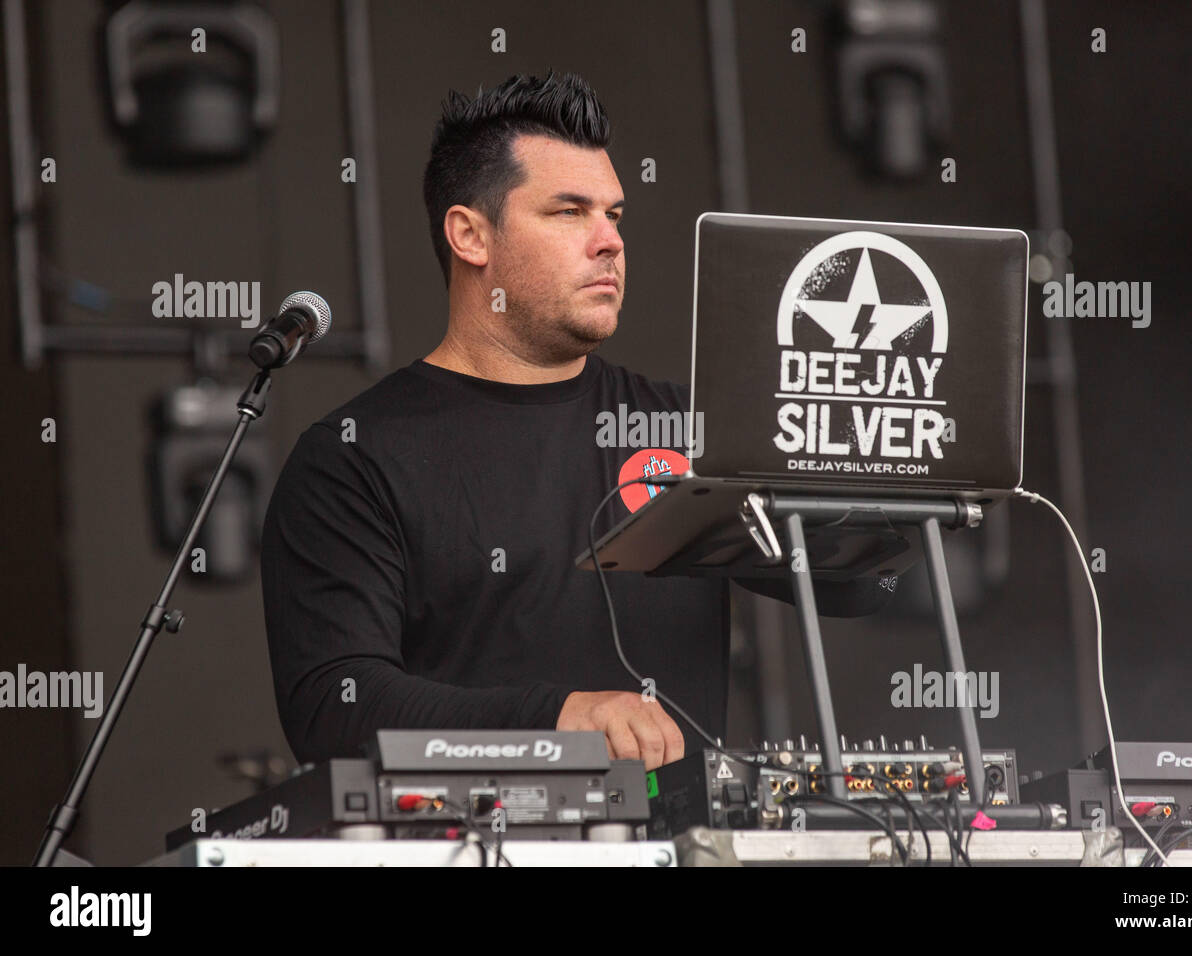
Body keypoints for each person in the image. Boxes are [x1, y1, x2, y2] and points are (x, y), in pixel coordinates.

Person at [261, 72, 894, 771]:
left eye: (614, 215)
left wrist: (866, 452)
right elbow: (332, 706)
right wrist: (557, 717)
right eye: (569, 212)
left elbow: (863, 585)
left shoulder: (690, 431)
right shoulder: (354, 458)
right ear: (470, 235)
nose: (609, 242)